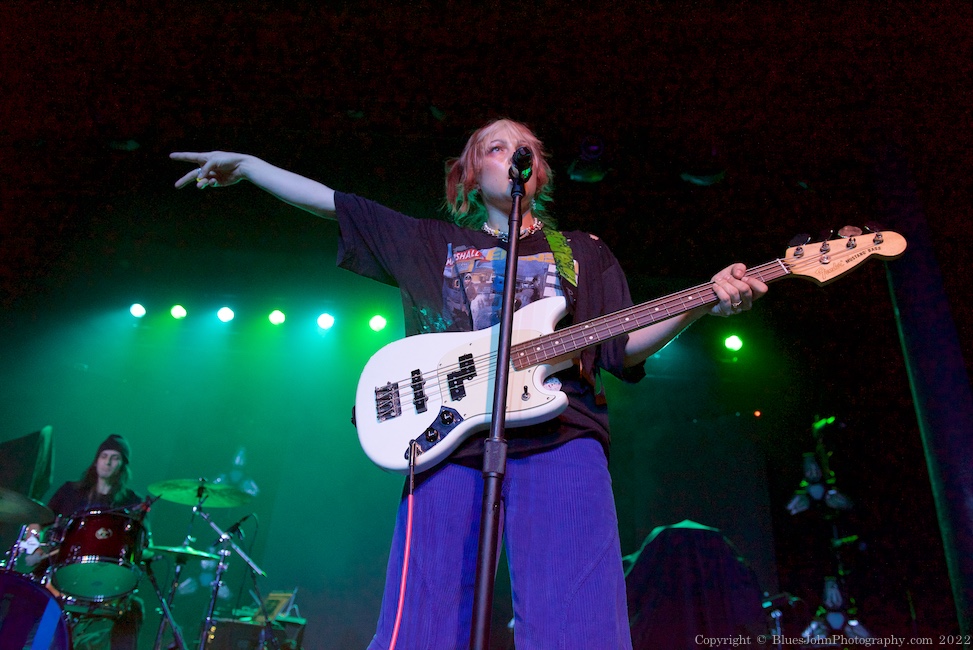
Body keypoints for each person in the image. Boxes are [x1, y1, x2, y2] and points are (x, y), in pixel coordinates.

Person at [171, 118, 767, 649]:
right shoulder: (434, 244)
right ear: (471, 171)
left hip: (564, 437)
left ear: (541, 174)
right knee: (423, 615)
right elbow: (336, 204)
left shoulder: (579, 251)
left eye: (528, 147)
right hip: (448, 440)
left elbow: (621, 346)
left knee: (577, 618)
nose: (516, 153)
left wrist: (703, 302)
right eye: (498, 145)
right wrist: (251, 168)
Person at [27, 434, 146, 650]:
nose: (108, 462)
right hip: (63, 575)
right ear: (96, 460)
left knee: (134, 607)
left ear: (123, 465)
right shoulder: (71, 491)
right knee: (44, 599)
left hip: (107, 581)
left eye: (115, 458)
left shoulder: (132, 501)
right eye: (104, 456)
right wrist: (32, 545)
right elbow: (37, 523)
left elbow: (143, 545)